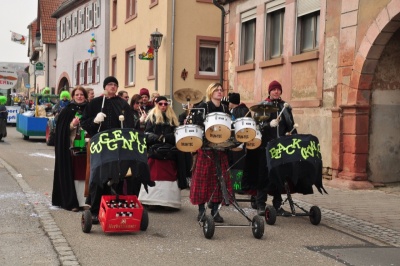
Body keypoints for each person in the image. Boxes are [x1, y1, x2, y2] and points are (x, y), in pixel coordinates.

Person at [81, 76, 137, 222]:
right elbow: (84, 123)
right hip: (100, 145)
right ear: (105, 87)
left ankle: (114, 209)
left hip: (118, 146)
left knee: (117, 177)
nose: (112, 87)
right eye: (110, 84)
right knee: (98, 177)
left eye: (115, 85)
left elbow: (131, 126)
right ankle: (94, 210)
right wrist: (94, 121)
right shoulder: (95, 103)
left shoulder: (123, 105)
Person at [244, 80, 297, 216]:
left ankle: (277, 205)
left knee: (279, 176)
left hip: (281, 147)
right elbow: (257, 126)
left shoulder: (285, 107)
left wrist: (291, 135)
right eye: (273, 89)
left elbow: (290, 125)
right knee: (263, 176)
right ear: (269, 91)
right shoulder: (263, 106)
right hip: (265, 147)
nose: (276, 91)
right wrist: (269, 125)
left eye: (278, 89)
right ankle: (261, 204)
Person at [189, 82, 232, 223]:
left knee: (219, 180)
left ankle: (215, 211)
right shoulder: (203, 106)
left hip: (221, 148)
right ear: (210, 92)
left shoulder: (225, 108)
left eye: (221, 90)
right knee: (203, 180)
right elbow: (196, 125)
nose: (219, 92)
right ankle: (201, 210)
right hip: (206, 148)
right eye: (216, 90)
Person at [138, 96, 182, 209]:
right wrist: (157, 139)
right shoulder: (151, 118)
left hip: (169, 152)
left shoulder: (172, 119)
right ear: (156, 104)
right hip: (155, 152)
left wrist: (165, 138)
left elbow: (177, 135)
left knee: (169, 176)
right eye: (160, 104)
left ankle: (168, 202)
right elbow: (147, 135)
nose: (163, 106)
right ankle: (150, 201)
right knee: (153, 175)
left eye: (165, 104)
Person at [52, 86, 89, 211]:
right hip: (73, 147)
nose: (79, 97)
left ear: (85, 96)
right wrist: (73, 125)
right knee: (75, 174)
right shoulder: (67, 110)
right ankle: (74, 202)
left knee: (87, 173)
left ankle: (86, 202)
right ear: (73, 96)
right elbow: (62, 131)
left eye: (82, 94)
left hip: (88, 146)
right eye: (77, 94)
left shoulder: (90, 109)